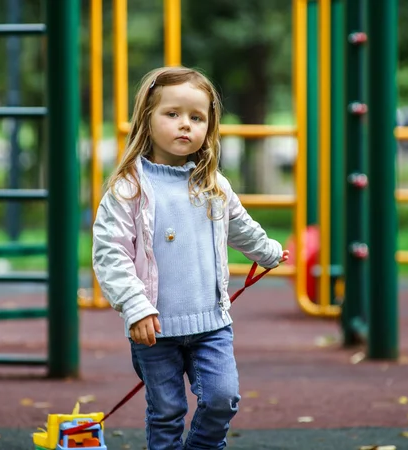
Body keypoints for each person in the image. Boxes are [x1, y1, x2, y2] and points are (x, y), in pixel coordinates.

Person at [92, 66, 288, 450]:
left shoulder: (213, 184)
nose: (186, 125)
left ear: (209, 126)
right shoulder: (128, 188)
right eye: (173, 114)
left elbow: (240, 226)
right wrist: (135, 306)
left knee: (222, 398)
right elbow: (110, 252)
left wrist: (267, 252)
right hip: (155, 329)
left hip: (211, 323)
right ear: (147, 119)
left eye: (196, 118)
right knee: (166, 412)